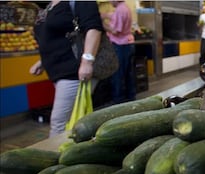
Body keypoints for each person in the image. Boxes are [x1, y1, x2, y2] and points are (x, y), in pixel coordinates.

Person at [29, 0, 103, 137]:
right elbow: (58, 37)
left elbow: (93, 28)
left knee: (59, 123)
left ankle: (57, 157)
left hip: (74, 72)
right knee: (72, 120)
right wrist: (43, 61)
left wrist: (87, 61)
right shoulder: (51, 5)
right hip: (60, 71)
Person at [101, 0, 136, 104]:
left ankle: (118, 99)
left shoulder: (120, 10)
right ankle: (130, 96)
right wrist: (106, 15)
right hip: (127, 44)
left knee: (118, 73)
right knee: (128, 73)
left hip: (120, 46)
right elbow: (114, 16)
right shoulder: (124, 8)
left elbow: (116, 31)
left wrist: (101, 25)